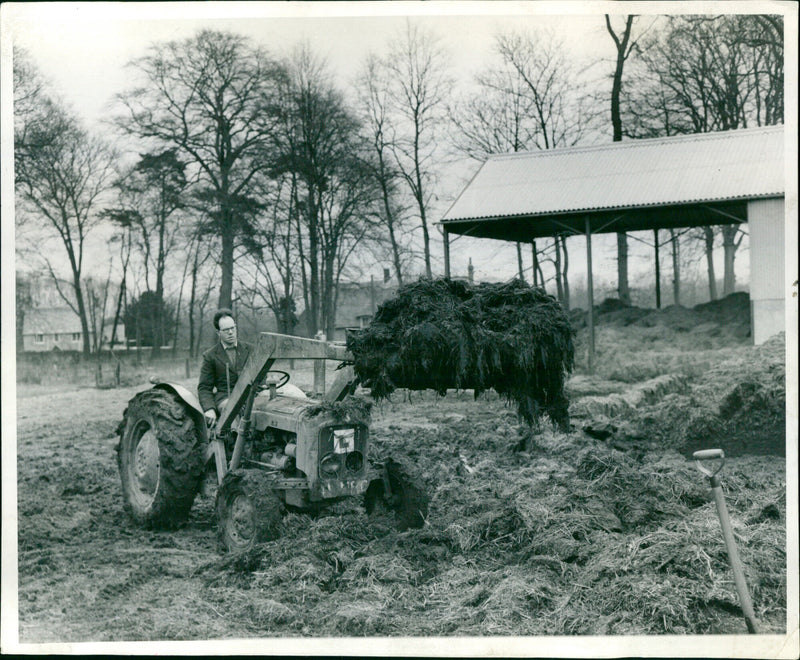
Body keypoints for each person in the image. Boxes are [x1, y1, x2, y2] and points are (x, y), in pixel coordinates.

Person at [198, 309, 252, 425]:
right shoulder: (210, 356)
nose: (231, 332)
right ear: (218, 332)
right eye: (226, 330)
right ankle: (235, 440)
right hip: (226, 398)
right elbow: (204, 388)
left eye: (233, 328)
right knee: (232, 408)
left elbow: (261, 376)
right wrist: (209, 409)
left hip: (251, 396)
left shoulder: (250, 350)